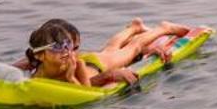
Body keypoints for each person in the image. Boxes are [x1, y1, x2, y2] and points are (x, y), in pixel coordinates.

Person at [20, 18, 201, 87]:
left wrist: (69, 77)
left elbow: (87, 91)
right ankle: (134, 27)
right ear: (38, 54)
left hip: (99, 66)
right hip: (97, 58)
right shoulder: (32, 64)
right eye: (58, 47)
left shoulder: (76, 64)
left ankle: (164, 28)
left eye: (70, 47)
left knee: (133, 48)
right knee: (110, 48)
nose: (67, 53)